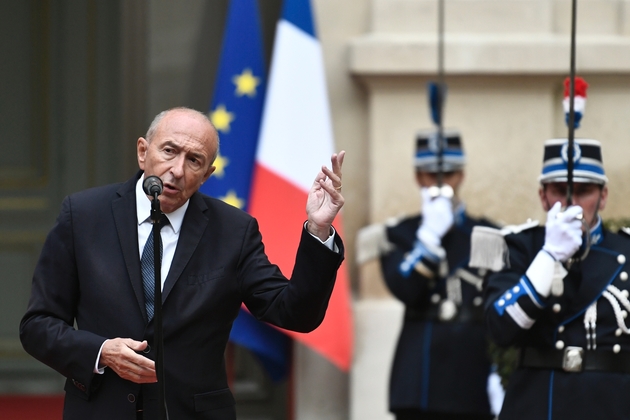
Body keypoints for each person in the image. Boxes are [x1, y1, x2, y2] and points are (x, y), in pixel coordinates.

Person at [19, 107, 346, 420]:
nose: (177, 169)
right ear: (143, 151)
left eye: (194, 160)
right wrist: (102, 351)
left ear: (207, 174)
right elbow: (37, 326)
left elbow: (295, 313)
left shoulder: (233, 231)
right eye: (169, 151)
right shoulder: (84, 216)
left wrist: (318, 229)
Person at [479, 138, 630, 419]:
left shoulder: (626, 250)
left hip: (612, 403)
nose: (572, 203)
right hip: (539, 403)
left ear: (604, 196)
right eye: (560, 191)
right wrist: (548, 256)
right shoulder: (517, 246)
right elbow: (500, 329)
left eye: (584, 191)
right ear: (543, 196)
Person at [378, 131, 498, 420]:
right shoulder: (401, 233)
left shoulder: (486, 234)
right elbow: (405, 289)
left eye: (449, 173)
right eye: (432, 174)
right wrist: (428, 239)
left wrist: (500, 370)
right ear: (418, 177)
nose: (441, 182)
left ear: (462, 175)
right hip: (421, 379)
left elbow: (498, 301)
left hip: (472, 373)